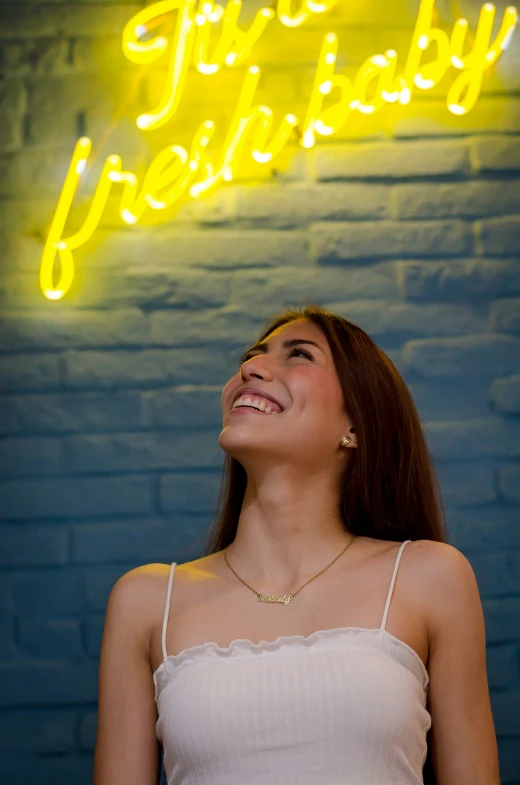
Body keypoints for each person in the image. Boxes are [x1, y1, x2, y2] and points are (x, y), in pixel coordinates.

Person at [93, 305, 500, 785]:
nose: (250, 368)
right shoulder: (145, 600)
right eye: (251, 356)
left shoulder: (429, 575)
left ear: (356, 426)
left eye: (299, 354)